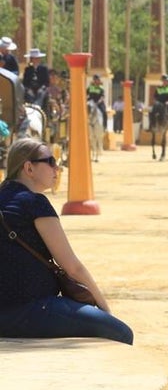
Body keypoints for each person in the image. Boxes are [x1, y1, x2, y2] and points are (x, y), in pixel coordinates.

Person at [0, 138, 133, 343]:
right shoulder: (34, 203)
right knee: (121, 333)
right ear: (29, 168)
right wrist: (105, 308)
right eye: (50, 161)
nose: (57, 168)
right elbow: (72, 268)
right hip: (32, 309)